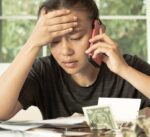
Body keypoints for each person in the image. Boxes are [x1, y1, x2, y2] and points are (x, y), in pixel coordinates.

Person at [0, 0, 150, 121]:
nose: (66, 51)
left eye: (76, 38)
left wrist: (124, 70)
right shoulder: (44, 71)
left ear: (97, 30)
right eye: (55, 41)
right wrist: (32, 43)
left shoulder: (128, 67)